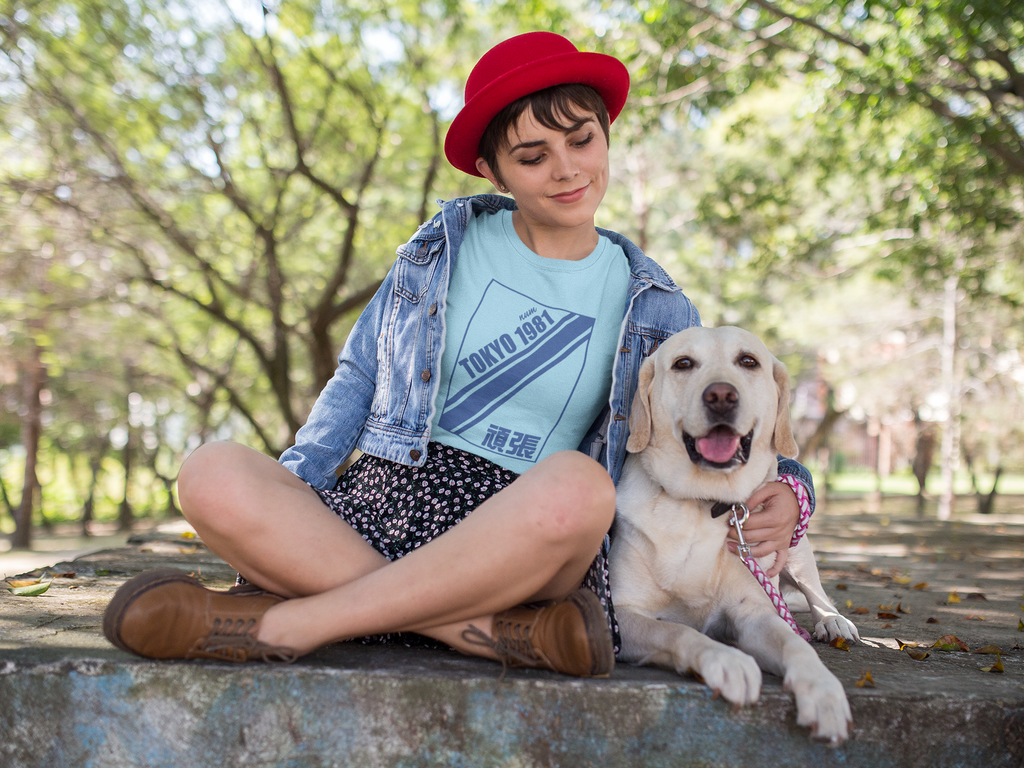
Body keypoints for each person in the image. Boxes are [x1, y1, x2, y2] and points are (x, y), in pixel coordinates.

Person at [102, 31, 816, 677]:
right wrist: (295, 493)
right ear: (492, 169)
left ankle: (292, 620)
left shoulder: (658, 307)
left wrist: (792, 488)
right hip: (385, 498)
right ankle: (487, 633)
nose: (566, 170)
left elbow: (725, 418)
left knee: (583, 488)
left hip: (524, 529)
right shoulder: (440, 248)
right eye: (532, 156)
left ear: (606, 137)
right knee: (209, 471)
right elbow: (357, 375)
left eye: (581, 141)